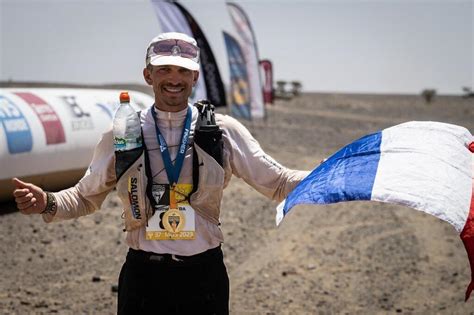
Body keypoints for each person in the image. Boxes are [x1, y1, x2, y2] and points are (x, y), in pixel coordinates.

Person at [12, 32, 309, 315]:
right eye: (164, 69)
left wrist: (333, 175)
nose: (174, 78)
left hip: (204, 277)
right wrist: (48, 202)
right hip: (144, 279)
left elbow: (278, 182)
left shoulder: (222, 132)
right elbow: (83, 197)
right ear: (148, 75)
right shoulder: (124, 134)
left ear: (195, 77)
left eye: (183, 71)